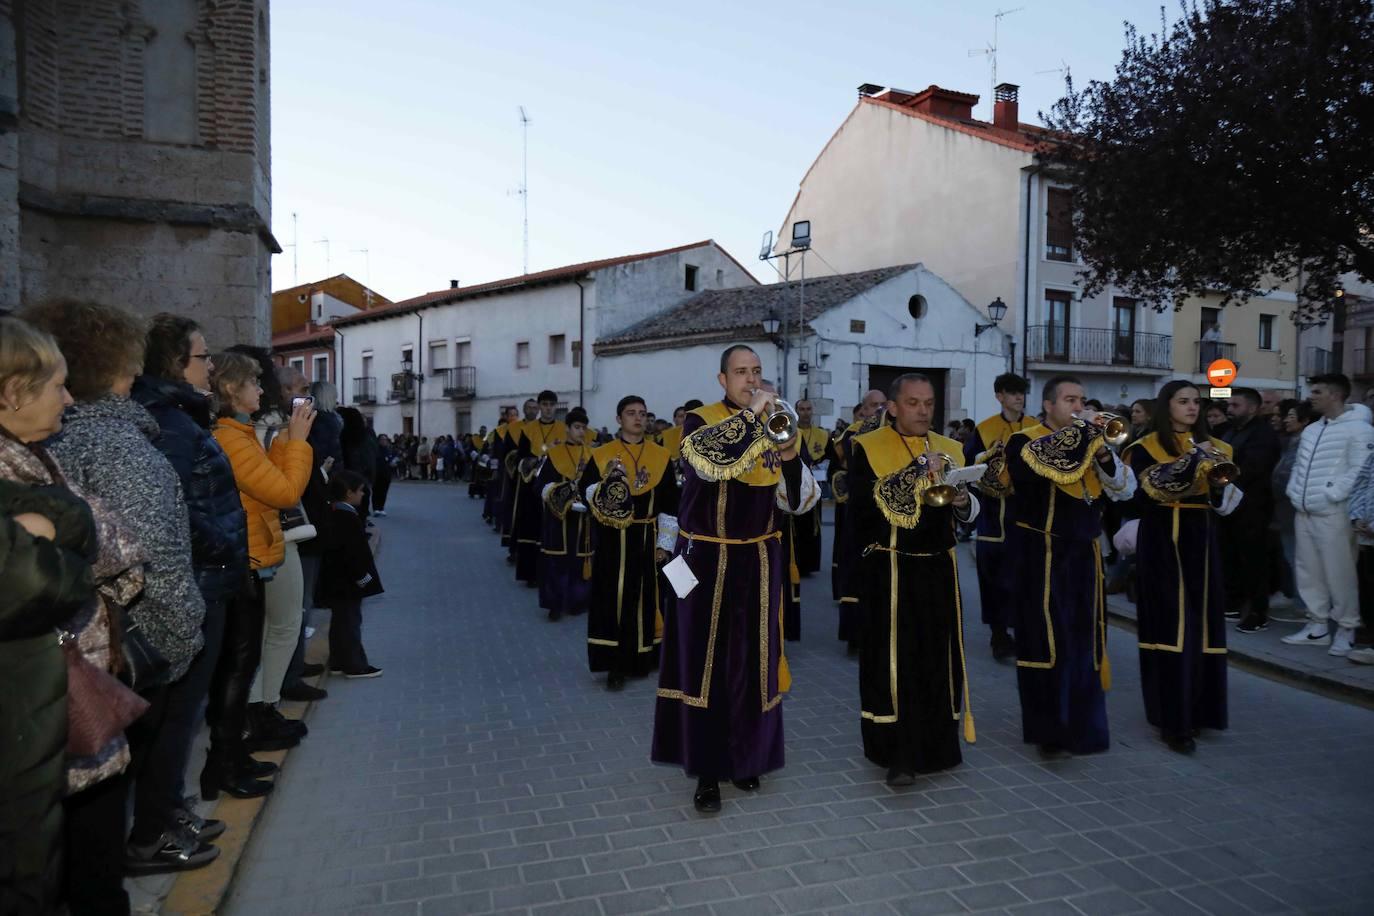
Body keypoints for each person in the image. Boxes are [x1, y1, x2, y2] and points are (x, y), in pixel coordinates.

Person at [24, 301, 215, 874]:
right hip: (125, 648)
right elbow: (155, 559)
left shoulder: (52, 446)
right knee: (105, 815)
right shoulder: (119, 448)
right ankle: (149, 838)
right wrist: (185, 635)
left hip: (81, 654)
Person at [652, 345, 819, 813]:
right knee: (706, 667)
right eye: (741, 373)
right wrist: (757, 416)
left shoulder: (775, 421)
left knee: (754, 665)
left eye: (758, 372)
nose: (751, 380)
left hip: (759, 561)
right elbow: (711, 461)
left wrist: (787, 451)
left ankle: (747, 759)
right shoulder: (700, 422)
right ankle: (706, 769)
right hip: (705, 560)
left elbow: (799, 501)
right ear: (721, 379)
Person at [131, 314, 249, 850]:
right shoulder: (169, 423)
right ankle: (157, 827)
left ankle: (169, 811)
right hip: (198, 582)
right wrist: (223, 546)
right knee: (178, 714)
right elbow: (172, 506)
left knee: (183, 712)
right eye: (203, 357)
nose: (210, 365)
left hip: (208, 579)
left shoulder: (181, 417)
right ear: (176, 363)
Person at [0, 316, 104, 916]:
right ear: (15, 392)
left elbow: (78, 525)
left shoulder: (34, 459)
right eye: (59, 385)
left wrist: (54, 525)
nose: (70, 397)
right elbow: (42, 574)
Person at [850, 374, 978, 784]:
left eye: (928, 403)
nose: (923, 411)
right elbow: (862, 512)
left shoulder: (952, 448)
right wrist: (911, 475)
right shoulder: (867, 448)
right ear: (893, 407)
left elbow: (973, 511)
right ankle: (897, 752)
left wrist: (963, 501)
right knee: (895, 662)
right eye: (913, 403)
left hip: (939, 566)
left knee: (937, 659)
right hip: (891, 567)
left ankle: (938, 746)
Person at [1005, 375, 1136, 756]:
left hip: (1085, 555)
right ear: (1048, 405)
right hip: (1042, 553)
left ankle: (1085, 728)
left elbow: (1125, 490)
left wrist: (1103, 454)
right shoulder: (1024, 440)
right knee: (1046, 643)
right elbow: (1028, 478)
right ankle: (1049, 731)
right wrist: (1082, 442)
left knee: (1085, 643)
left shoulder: (1094, 445)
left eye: (1081, 399)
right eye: (1069, 400)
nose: (1078, 407)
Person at [205, 352, 314, 800]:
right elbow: (285, 491)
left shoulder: (240, 434)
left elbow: (268, 481)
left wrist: (286, 441)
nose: (262, 390)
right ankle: (225, 765)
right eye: (253, 383)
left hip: (252, 555)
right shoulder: (232, 438)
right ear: (232, 390)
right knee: (236, 668)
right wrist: (299, 442)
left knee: (242, 663)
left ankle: (233, 758)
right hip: (245, 560)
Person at [1123, 381, 1241, 753]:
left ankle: (1201, 710)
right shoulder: (1144, 447)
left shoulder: (1220, 447)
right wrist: (1192, 460)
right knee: (1171, 624)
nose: (1192, 408)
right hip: (1162, 539)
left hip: (1201, 537)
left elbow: (1226, 495)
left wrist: (1221, 487)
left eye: (1196, 402)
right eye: (1183, 401)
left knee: (1204, 622)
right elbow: (1148, 491)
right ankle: (1172, 720)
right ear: (1166, 406)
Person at [579, 396, 678, 687]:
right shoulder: (603, 455)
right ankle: (614, 665)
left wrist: (665, 543)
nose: (638, 418)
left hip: (647, 537)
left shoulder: (661, 456)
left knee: (645, 599)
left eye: (643, 413)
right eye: (631, 413)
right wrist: (607, 486)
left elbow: (670, 505)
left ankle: (642, 658)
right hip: (612, 539)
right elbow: (585, 493)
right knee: (613, 598)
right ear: (619, 418)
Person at [1282, 373, 1374, 656]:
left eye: (1317, 392)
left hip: (1334, 512)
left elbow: (1360, 471)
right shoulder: (1311, 430)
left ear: (1334, 394)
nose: (1311, 396)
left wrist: (1331, 495)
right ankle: (1317, 625)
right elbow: (1299, 466)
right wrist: (1295, 492)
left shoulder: (1360, 430)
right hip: (1304, 510)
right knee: (1308, 571)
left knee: (1340, 573)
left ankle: (1347, 628)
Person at [965, 372, 1034, 660]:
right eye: (1013, 392)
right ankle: (998, 635)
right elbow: (969, 467)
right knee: (993, 580)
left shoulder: (1036, 427)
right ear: (999, 396)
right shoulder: (984, 429)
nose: (1019, 397)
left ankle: (1025, 631)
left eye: (1022, 392)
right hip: (993, 518)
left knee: (1025, 578)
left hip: (1026, 516)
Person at [829, 389, 888, 650]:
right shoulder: (853, 434)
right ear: (863, 409)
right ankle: (853, 634)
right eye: (873, 405)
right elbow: (845, 467)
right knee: (854, 571)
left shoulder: (893, 433)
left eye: (882, 405)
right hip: (859, 511)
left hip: (884, 514)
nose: (877, 409)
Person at [1220, 387, 1281, 632]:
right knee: (1231, 557)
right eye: (1230, 405)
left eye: (1236, 405)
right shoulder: (1230, 431)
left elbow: (1252, 468)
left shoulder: (1263, 435)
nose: (1230, 409)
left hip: (1253, 507)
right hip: (1230, 506)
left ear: (1252, 408)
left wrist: (1223, 475)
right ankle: (1233, 603)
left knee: (1254, 561)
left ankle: (1258, 612)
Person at [319, 469, 384, 678]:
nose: (363, 495)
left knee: (340, 622)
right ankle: (355, 665)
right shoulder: (348, 518)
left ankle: (338, 661)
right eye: (361, 491)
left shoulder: (334, 512)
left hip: (336, 581)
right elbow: (353, 554)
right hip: (348, 582)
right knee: (350, 622)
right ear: (349, 493)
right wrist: (363, 578)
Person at [535, 407, 594, 621]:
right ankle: (555, 604)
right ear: (567, 429)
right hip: (558, 518)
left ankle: (578, 602)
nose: (581, 432)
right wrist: (566, 494)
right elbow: (542, 486)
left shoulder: (591, 455)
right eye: (577, 427)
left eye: (583, 428)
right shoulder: (553, 455)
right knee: (557, 561)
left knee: (581, 562)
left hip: (583, 519)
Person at [510, 391, 567, 585]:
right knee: (531, 527)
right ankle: (531, 575)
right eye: (545, 404)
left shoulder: (564, 429)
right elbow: (521, 458)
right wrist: (544, 452)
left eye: (552, 404)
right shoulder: (529, 429)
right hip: (532, 485)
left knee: (553, 530)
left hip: (556, 486)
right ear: (540, 406)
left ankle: (552, 576)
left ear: (556, 406)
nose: (548, 408)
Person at [792, 398, 829, 578]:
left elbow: (829, 459)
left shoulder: (823, 435)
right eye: (802, 409)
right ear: (796, 411)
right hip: (796, 485)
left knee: (813, 526)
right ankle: (795, 562)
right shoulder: (791, 432)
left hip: (815, 486)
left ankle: (809, 564)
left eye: (808, 409)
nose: (805, 412)